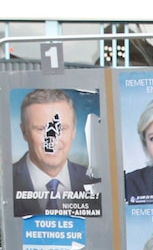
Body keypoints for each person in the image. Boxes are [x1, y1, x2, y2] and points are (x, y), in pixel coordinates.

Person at [12, 88, 101, 217]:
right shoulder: (5, 183)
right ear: (24, 131)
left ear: (74, 131)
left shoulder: (96, 183)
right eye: (41, 129)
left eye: (62, 129)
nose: (52, 139)